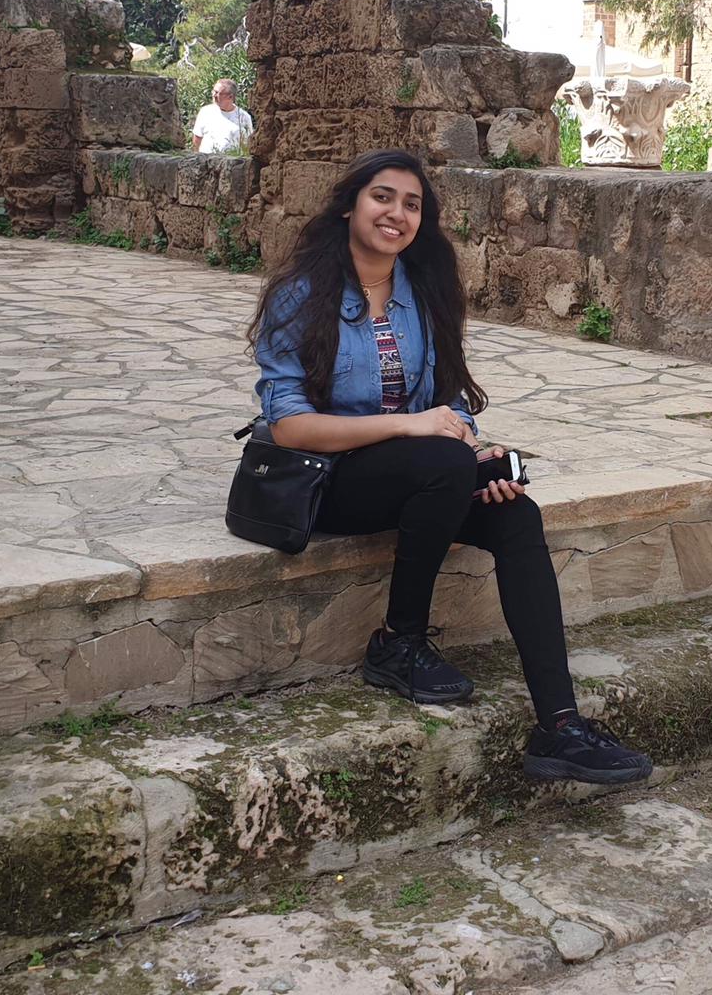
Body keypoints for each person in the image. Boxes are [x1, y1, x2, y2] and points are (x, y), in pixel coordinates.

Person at [248, 148, 654, 786]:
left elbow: (447, 402)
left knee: (516, 513)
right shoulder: (300, 295)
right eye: (383, 197)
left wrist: (471, 451)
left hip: (420, 476)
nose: (397, 213)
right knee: (441, 459)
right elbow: (289, 426)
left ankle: (561, 726)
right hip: (327, 482)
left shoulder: (423, 293)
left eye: (412, 205)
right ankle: (398, 641)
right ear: (351, 205)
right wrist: (416, 430)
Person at [191, 78, 253, 154]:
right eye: (214, 91)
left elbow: (247, 144)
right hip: (206, 159)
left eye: (218, 93)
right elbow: (197, 138)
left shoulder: (244, 117)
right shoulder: (205, 112)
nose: (214, 95)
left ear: (230, 96)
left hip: (231, 159)